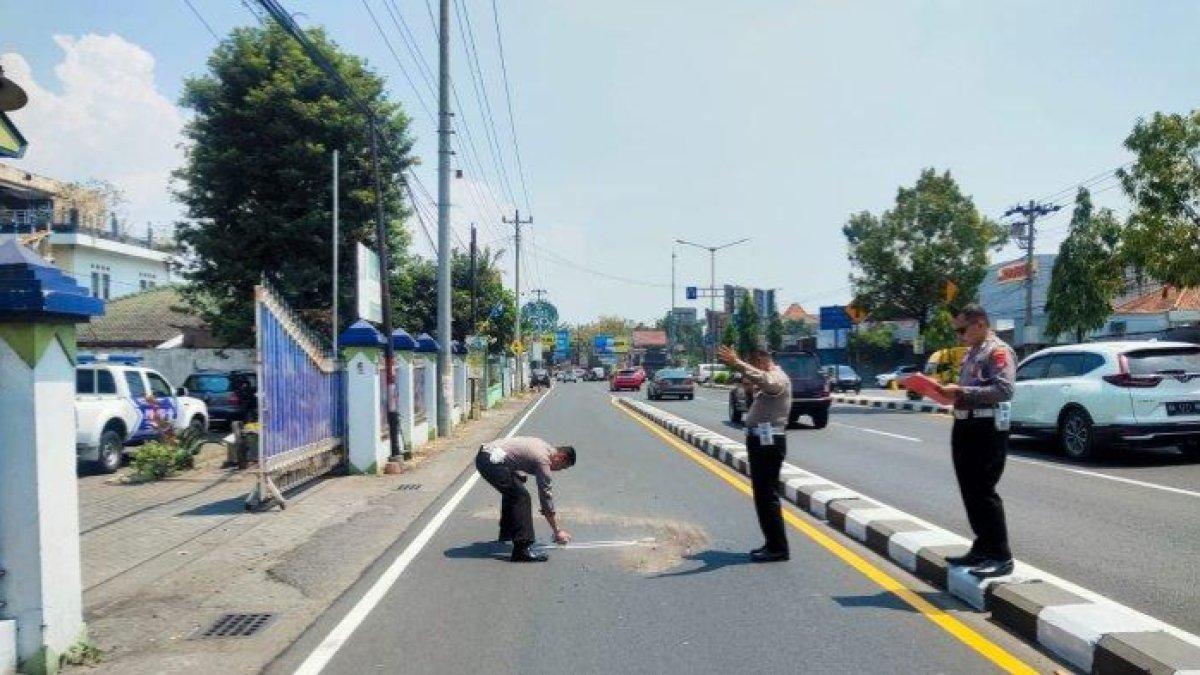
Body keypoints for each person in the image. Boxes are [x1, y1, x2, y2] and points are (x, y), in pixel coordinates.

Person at [935, 304, 1017, 579]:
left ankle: (1001, 555)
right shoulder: (972, 352)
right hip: (965, 424)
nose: (959, 336)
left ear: (980, 324)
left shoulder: (998, 351)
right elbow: (970, 390)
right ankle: (983, 547)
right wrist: (947, 394)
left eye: (962, 329)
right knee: (969, 489)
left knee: (983, 489)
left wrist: (961, 391)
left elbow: (1004, 390)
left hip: (986, 427)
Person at [717, 343, 792, 562]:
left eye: (753, 366)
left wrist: (738, 363)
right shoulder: (768, 379)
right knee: (762, 495)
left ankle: (778, 548)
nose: (752, 371)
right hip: (760, 441)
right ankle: (772, 543)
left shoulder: (778, 377)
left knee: (767, 496)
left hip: (769, 443)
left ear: (761, 361)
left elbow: (769, 382)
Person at [476, 437, 576, 563]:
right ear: (561, 457)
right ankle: (521, 550)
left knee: (514, 491)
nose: (559, 470)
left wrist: (517, 472)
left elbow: (516, 452)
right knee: (521, 497)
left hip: (488, 456)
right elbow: (545, 497)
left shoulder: (543, 445)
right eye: (562, 467)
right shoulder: (543, 460)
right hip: (492, 461)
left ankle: (507, 534)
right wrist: (557, 531)